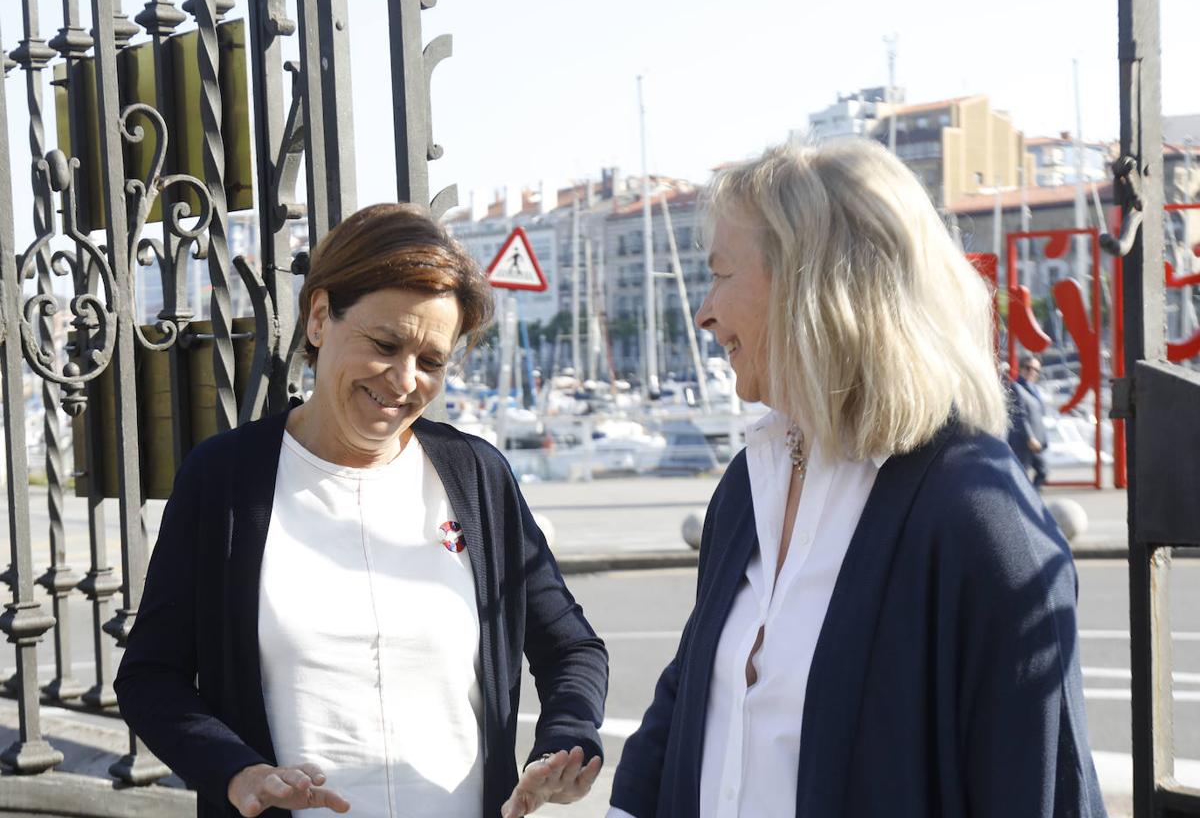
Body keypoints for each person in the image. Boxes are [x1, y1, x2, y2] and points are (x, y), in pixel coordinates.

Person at [607, 142, 1105, 818]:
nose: (704, 312)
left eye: (721, 274)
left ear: (813, 285)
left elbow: (1040, 787)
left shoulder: (979, 518)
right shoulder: (751, 482)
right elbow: (698, 686)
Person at [115, 204, 608, 818]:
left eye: (431, 362)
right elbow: (150, 677)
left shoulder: (476, 476)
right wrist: (238, 773)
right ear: (320, 316)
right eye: (385, 344)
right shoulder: (222, 480)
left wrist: (565, 742)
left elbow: (572, 650)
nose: (404, 381)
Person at [1008, 353, 1050, 488]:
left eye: (1036, 370)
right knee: (1021, 476)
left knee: (1043, 470)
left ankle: (1032, 499)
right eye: (1029, 368)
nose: (1033, 372)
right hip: (1023, 442)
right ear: (1021, 368)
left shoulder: (1034, 389)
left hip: (1036, 444)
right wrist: (1030, 437)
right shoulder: (1016, 388)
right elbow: (1020, 416)